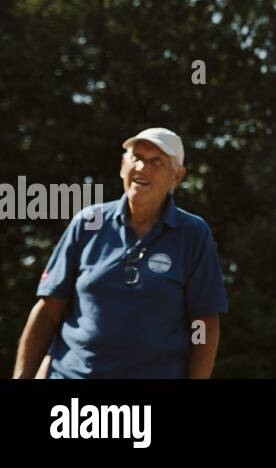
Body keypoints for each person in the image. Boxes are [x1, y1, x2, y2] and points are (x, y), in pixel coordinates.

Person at [13, 127, 227, 379]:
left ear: (177, 176)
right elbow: (48, 311)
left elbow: (204, 322)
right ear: (122, 166)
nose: (142, 167)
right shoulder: (88, 222)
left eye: (156, 161)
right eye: (136, 157)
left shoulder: (193, 233)